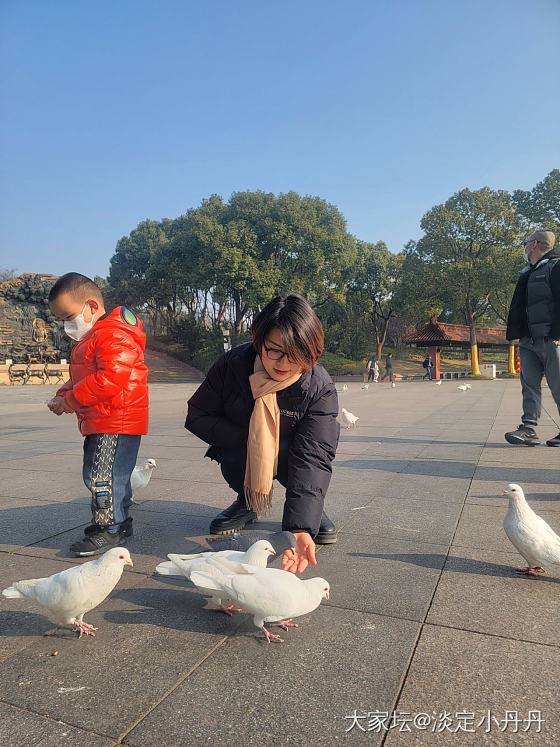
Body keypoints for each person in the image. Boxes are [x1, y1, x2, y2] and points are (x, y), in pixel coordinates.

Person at [185, 293, 339, 574]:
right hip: (241, 449)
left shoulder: (319, 387)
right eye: (274, 350)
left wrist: (300, 528)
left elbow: (314, 457)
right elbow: (197, 415)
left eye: (297, 354)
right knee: (236, 456)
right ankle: (247, 503)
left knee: (301, 464)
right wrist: (250, 441)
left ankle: (310, 511)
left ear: (312, 352)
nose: (284, 363)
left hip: (294, 457)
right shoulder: (232, 366)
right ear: (259, 341)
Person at [47, 273, 149, 555]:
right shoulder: (99, 335)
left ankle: (110, 528)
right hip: (107, 419)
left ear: (91, 306)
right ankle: (118, 522)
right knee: (114, 474)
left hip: (114, 420)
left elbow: (110, 379)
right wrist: (63, 396)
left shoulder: (112, 334)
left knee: (101, 476)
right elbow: (85, 377)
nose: (67, 325)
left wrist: (71, 400)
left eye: (68, 316)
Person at [504, 230, 560, 446]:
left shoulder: (556, 267)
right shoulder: (526, 272)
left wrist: (557, 334)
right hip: (527, 340)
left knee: (558, 385)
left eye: (526, 243)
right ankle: (529, 428)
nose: (525, 247)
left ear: (534, 244)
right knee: (529, 385)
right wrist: (518, 335)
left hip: (551, 338)